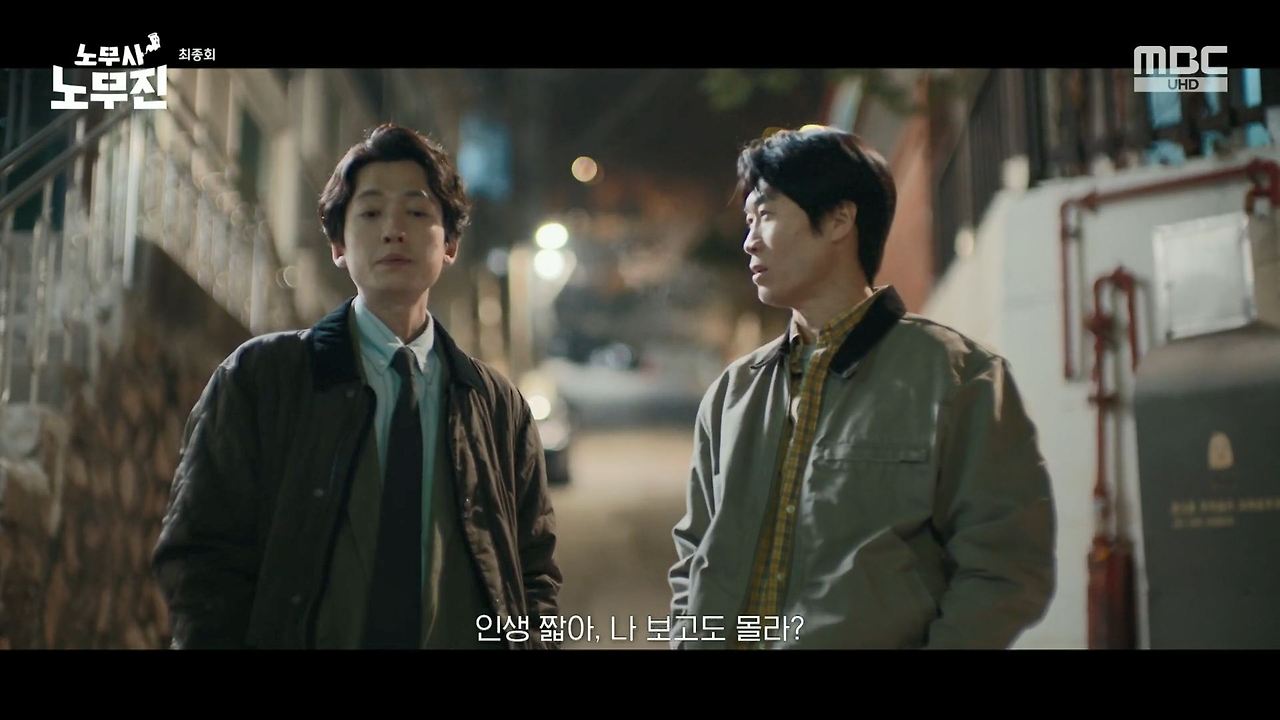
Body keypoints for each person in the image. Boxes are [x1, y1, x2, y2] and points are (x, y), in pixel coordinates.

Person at [153, 123, 561, 649]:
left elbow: (534, 571)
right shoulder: (263, 379)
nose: (394, 230)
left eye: (417, 212)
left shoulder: (496, 406)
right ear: (338, 245)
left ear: (450, 242)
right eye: (370, 213)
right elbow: (200, 556)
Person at [669, 127, 1055, 649]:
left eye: (767, 214)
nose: (749, 240)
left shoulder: (959, 377)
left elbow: (1005, 566)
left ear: (839, 219)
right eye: (748, 220)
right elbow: (694, 555)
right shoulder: (732, 394)